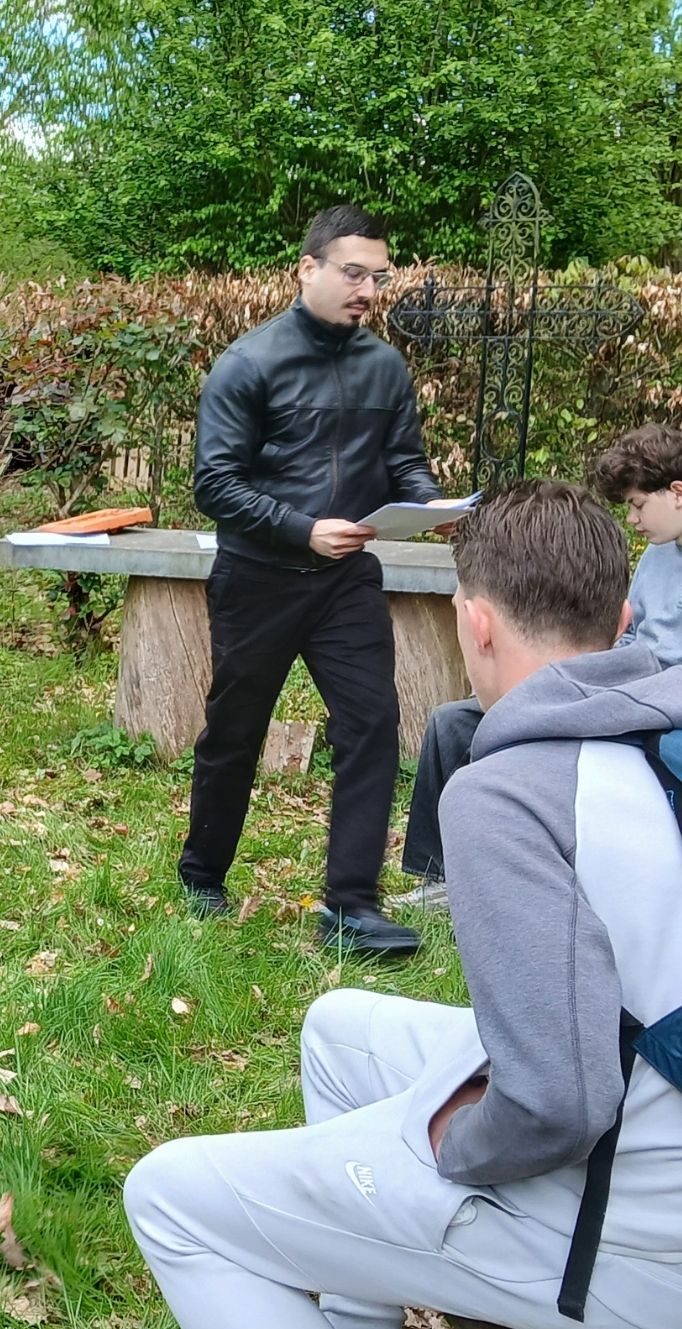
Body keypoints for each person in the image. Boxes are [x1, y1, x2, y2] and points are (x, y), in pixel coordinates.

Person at [126, 484, 682, 1329]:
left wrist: (448, 1148)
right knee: (339, 1029)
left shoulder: (512, 793)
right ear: (622, 620)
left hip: (625, 1258)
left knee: (170, 1197)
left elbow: (558, 1101)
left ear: (473, 624)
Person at [177, 203, 450, 956]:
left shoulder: (385, 368)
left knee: (372, 726)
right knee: (236, 731)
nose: (367, 289)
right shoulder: (249, 363)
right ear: (308, 268)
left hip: (346, 581)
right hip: (258, 577)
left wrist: (429, 505)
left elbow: (403, 463)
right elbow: (215, 485)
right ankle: (202, 875)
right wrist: (302, 528)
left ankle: (350, 907)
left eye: (379, 276)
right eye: (353, 272)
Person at [402, 424, 682, 901]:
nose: (634, 519)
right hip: (610, 690)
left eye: (639, 504)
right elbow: (624, 637)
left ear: (679, 493)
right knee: (453, 722)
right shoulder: (659, 556)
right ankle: (439, 876)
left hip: (668, 721)